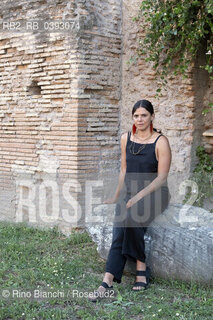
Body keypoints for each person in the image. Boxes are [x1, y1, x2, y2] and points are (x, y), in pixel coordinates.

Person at [89, 99, 171, 302]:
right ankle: (107, 280)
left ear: (152, 116)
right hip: (130, 192)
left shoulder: (161, 141)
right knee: (120, 225)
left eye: (144, 115)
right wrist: (118, 196)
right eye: (136, 116)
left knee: (134, 214)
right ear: (132, 117)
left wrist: (138, 196)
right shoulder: (126, 138)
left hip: (155, 194)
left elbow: (162, 178)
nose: (140, 119)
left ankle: (141, 265)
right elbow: (124, 170)